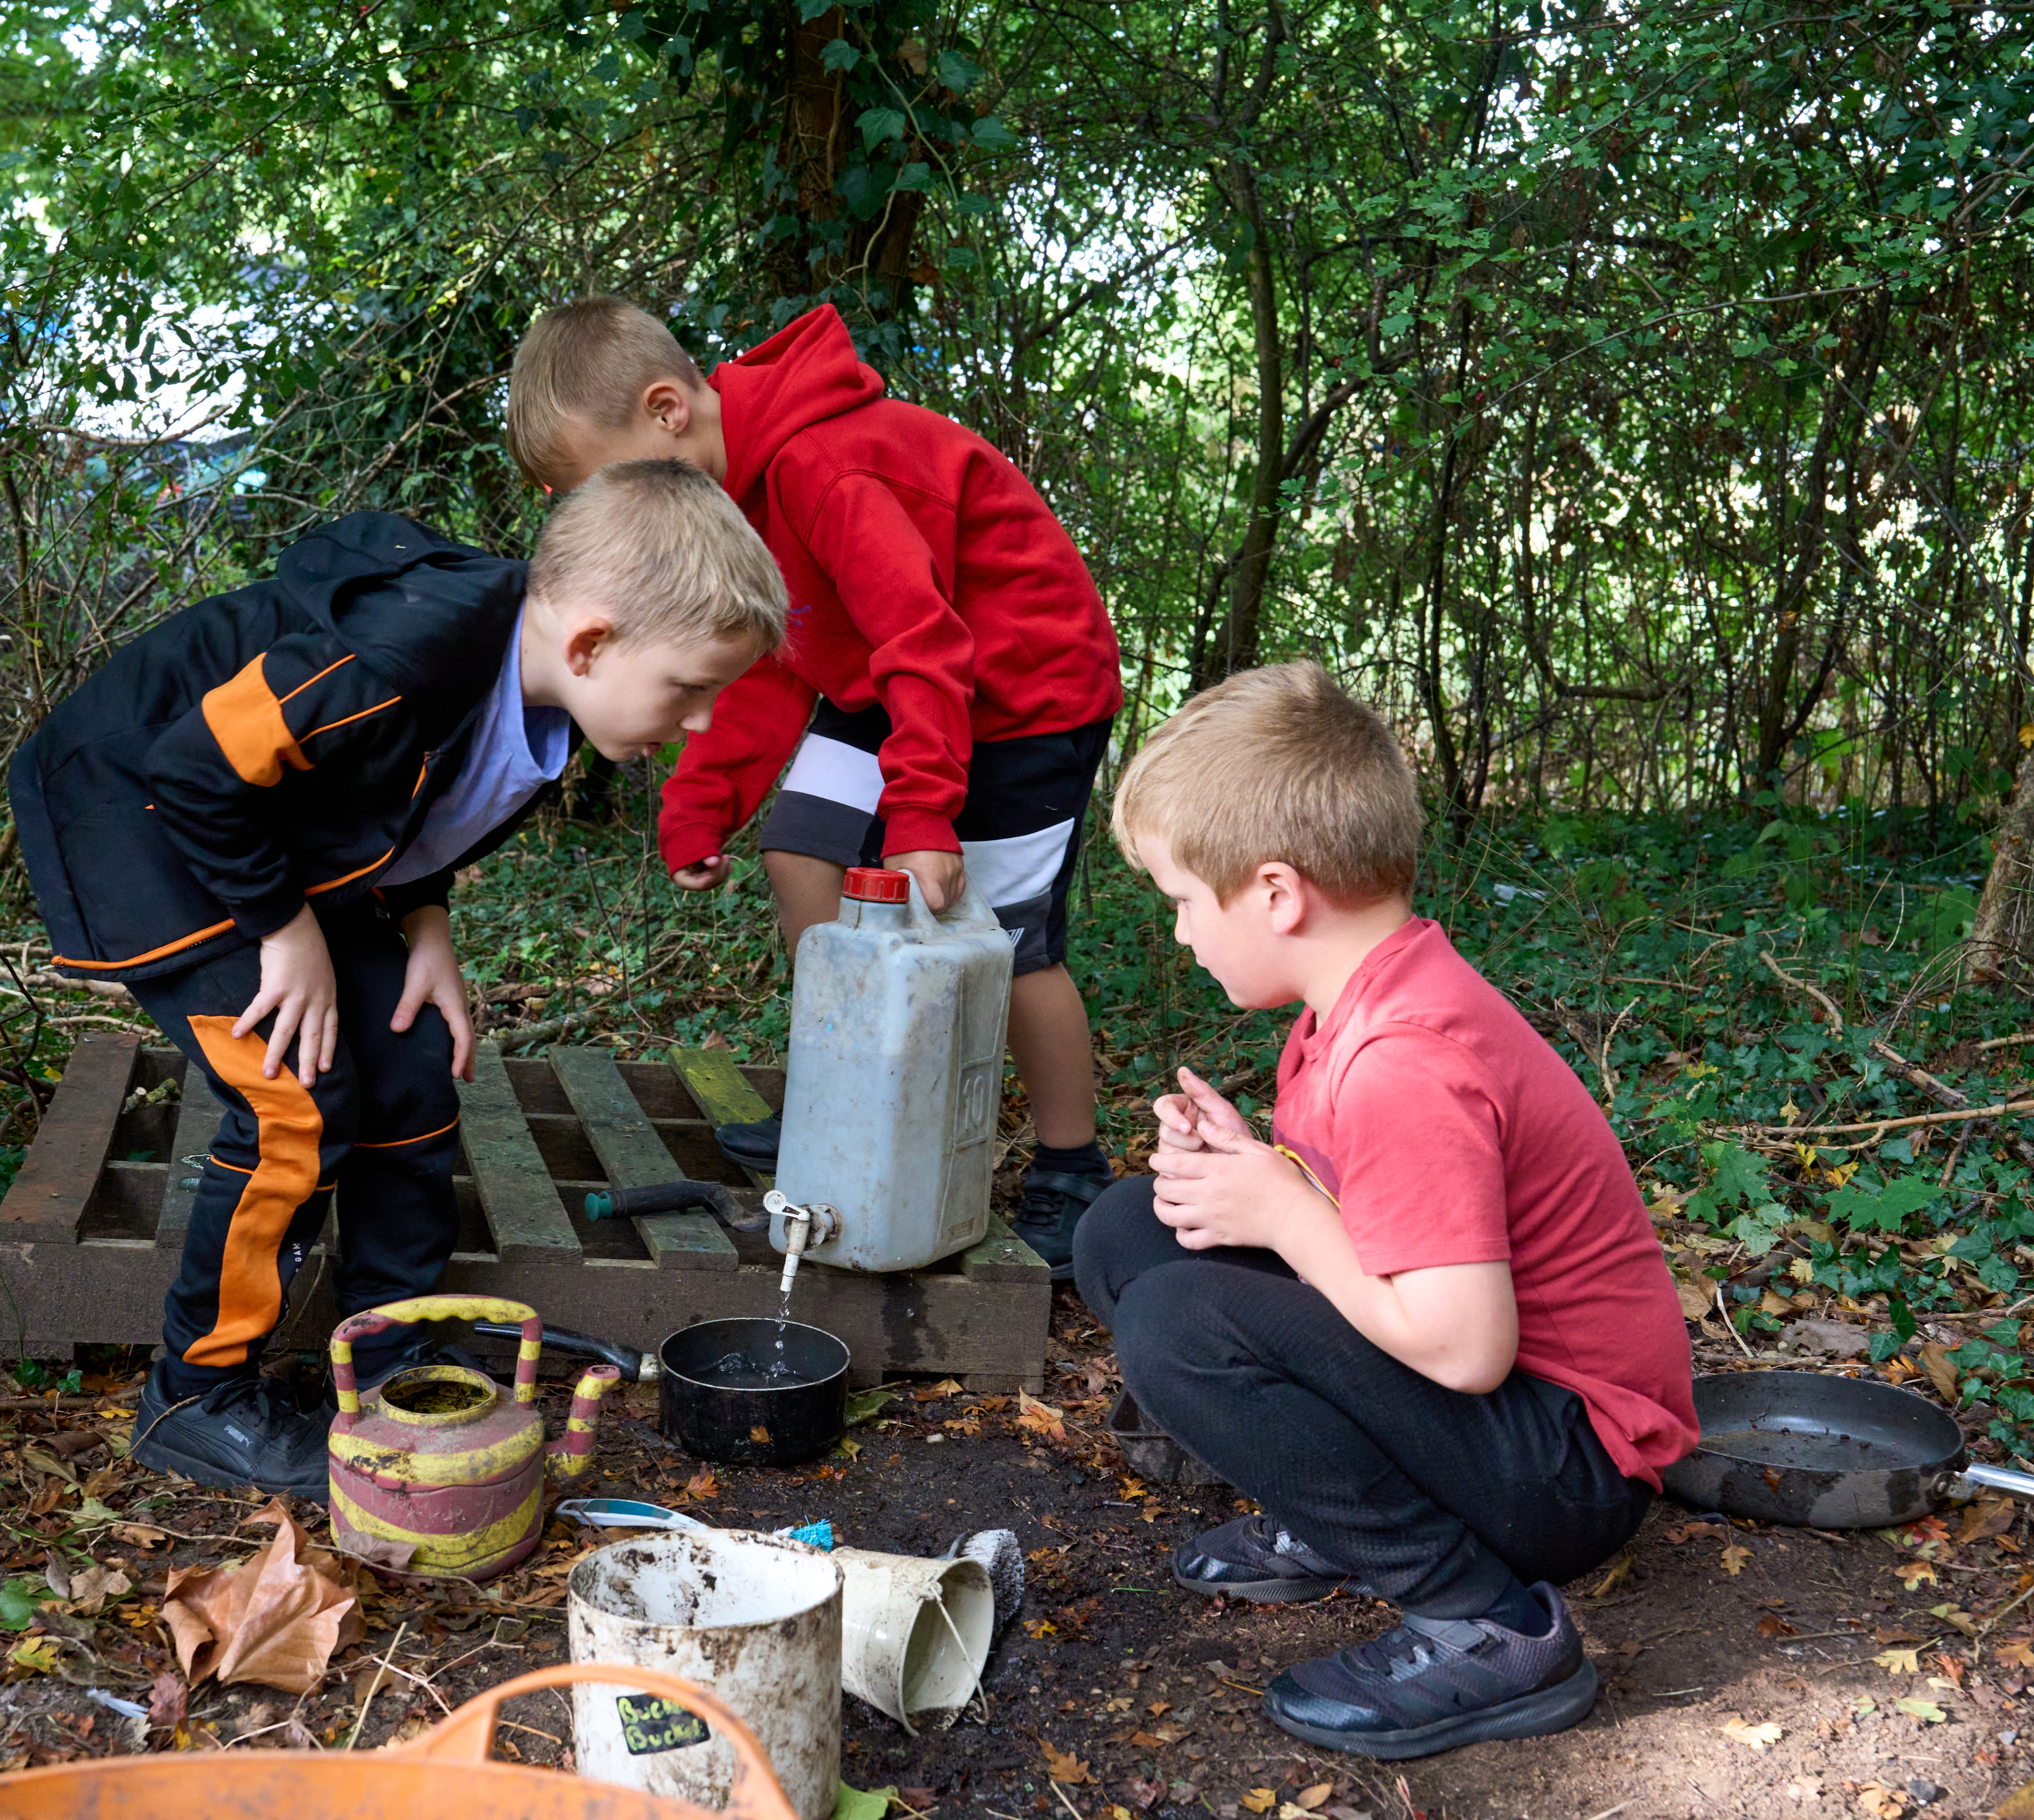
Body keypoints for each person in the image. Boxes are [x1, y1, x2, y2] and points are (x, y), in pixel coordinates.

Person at [8, 461, 785, 1500]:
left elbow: (418, 800)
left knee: (413, 1053)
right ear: (594, 642)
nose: (699, 723)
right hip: (143, 818)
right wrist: (288, 933)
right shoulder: (400, 658)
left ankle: (388, 1345)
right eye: (691, 688)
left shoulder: (547, 695)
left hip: (268, 841)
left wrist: (426, 922)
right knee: (295, 1096)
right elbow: (196, 769)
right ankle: (196, 1396)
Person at [1075, 661, 1698, 1760]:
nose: (1179, 935)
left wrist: (1282, 1212)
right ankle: (1335, 1523)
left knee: (1178, 1324)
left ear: (1277, 892)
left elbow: (1465, 1351)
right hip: (1505, 1425)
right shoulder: (1362, 1008)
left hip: (1562, 1466)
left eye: (1181, 901)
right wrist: (1253, 1176)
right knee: (1131, 1231)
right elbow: (1376, 1222)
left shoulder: (1405, 1060)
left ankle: (1486, 1621)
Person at [503, 298, 1126, 1279]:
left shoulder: (826, 466)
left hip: (1023, 692)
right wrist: (702, 802)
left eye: (619, 482)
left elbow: (928, 642)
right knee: (802, 846)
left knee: (1008, 936)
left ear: (668, 411)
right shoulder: (730, 500)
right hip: (888, 680)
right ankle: (852, 1085)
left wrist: (923, 814)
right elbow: (772, 665)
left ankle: (1072, 1165)